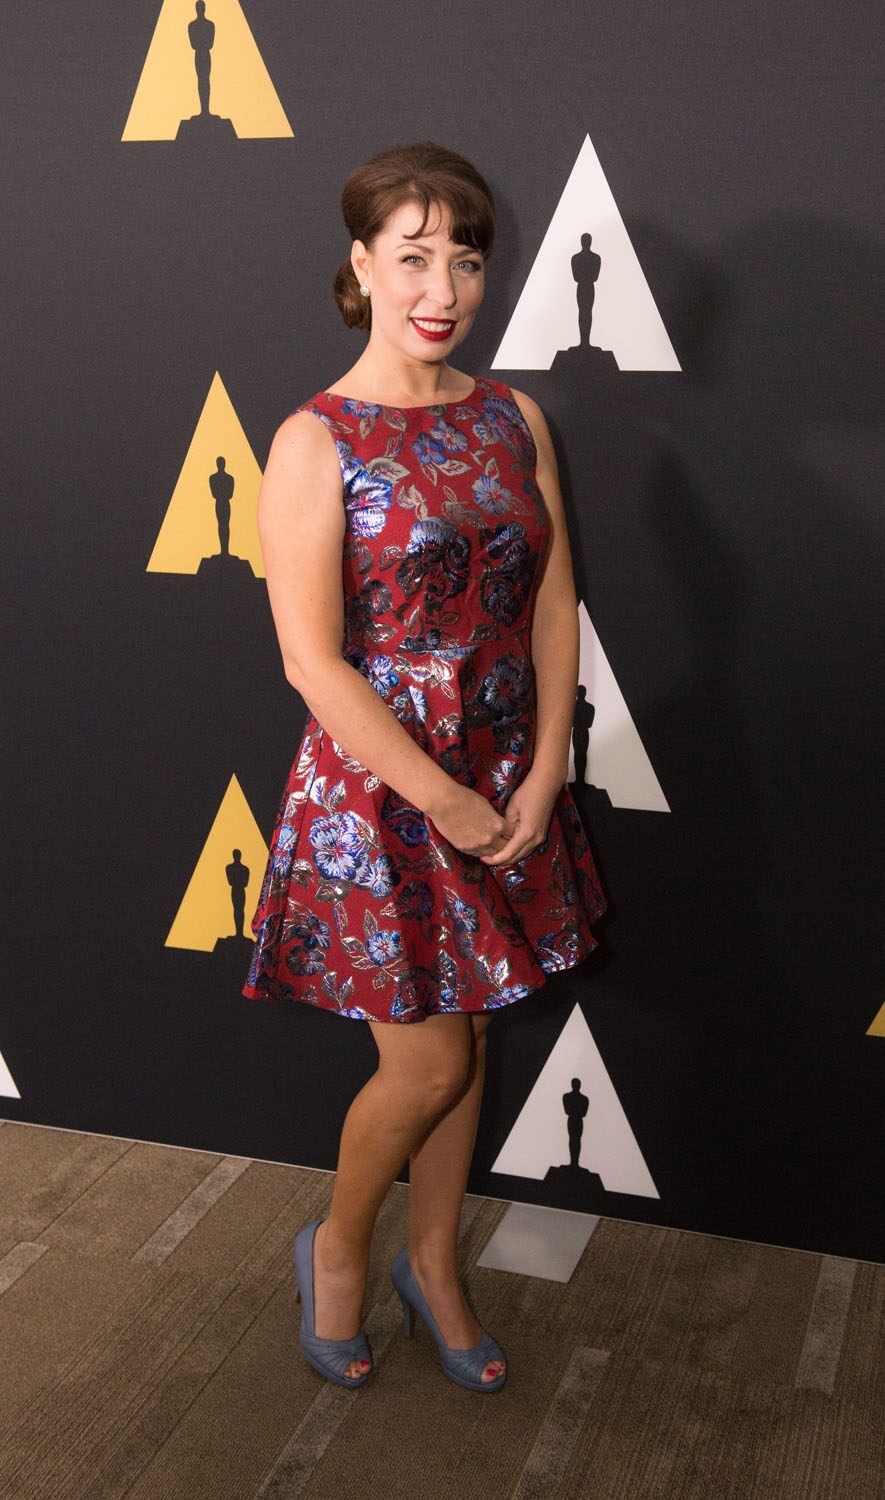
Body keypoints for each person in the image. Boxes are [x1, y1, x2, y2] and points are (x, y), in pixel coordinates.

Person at [243, 141, 608, 1391]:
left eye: (464, 258)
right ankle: (340, 1247)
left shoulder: (514, 417)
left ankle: (436, 1264)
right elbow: (311, 661)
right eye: (412, 258)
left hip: (506, 766)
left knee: (475, 1031)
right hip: (384, 787)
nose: (442, 288)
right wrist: (443, 796)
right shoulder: (315, 440)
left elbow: (552, 602)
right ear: (361, 265)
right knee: (431, 1061)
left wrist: (546, 768)